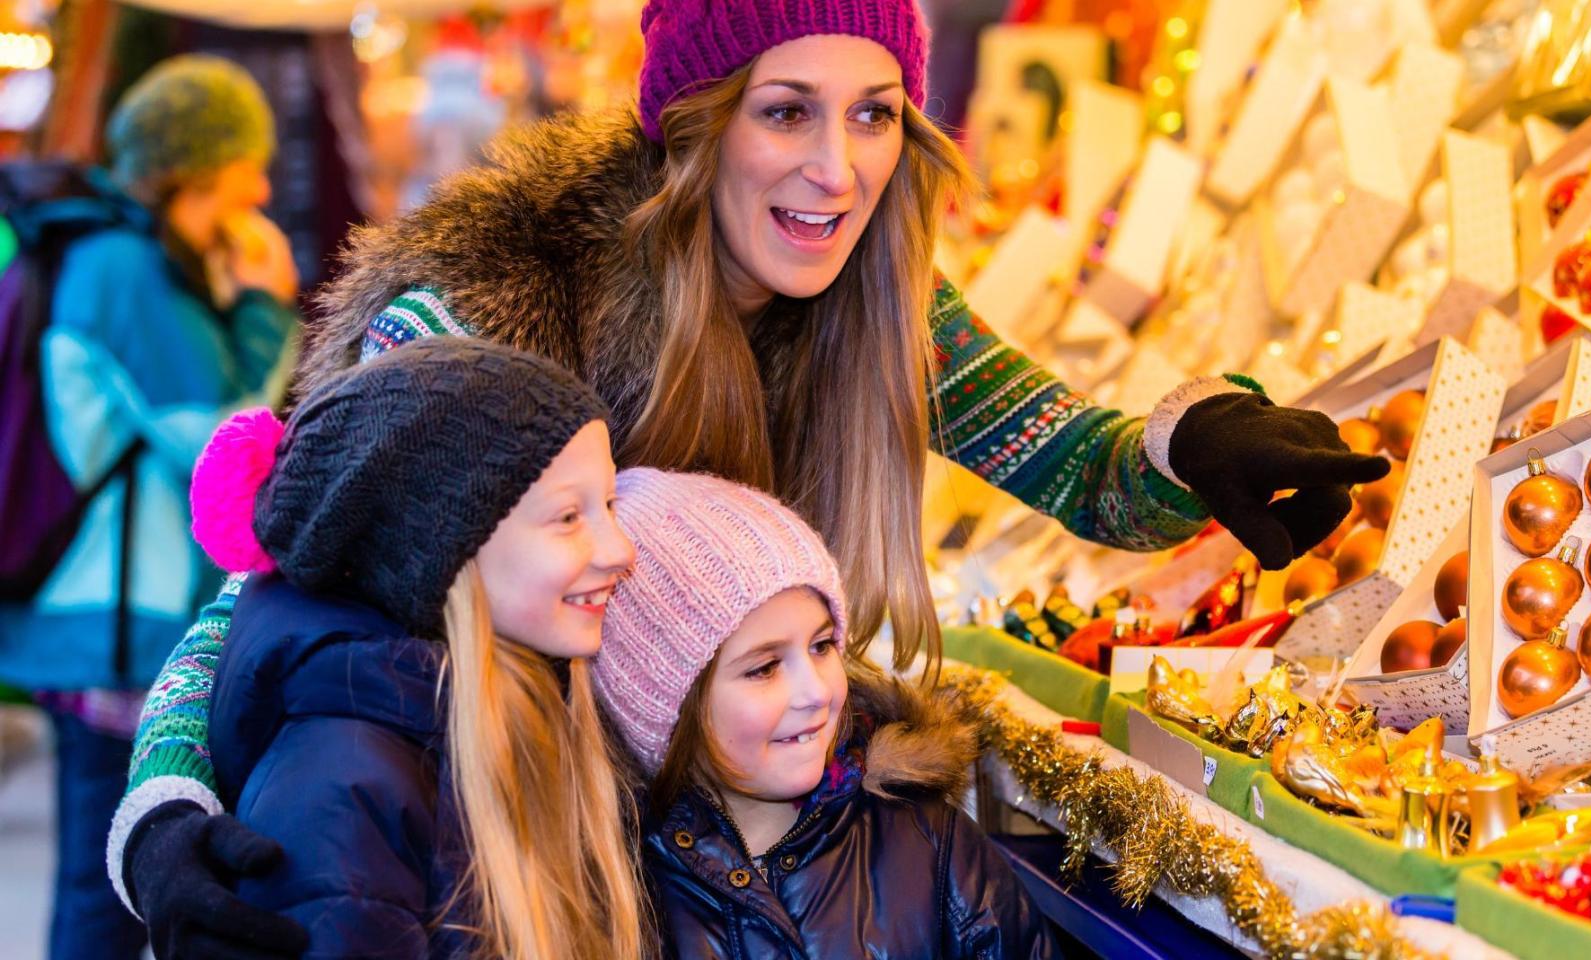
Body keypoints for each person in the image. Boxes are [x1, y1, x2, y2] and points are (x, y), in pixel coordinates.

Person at [113, 2, 1388, 951]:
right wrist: (166, 809)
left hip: (690, 873)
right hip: (497, 870)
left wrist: (1194, 447)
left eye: (874, 113)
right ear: (696, 122)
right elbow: (264, 583)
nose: (836, 170)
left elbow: (1071, 460)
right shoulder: (496, 300)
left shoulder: (874, 297)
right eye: (786, 111)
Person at [184, 338, 647, 959]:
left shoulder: (515, 706)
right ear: (438, 547)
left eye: (611, 504)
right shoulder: (346, 798)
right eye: (569, 517)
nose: (622, 550)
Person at [0, 55, 299, 960]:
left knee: (91, 877)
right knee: (106, 890)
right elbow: (212, 434)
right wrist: (261, 302)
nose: (261, 179)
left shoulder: (106, 251)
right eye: (247, 157)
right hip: (114, 623)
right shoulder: (125, 267)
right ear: (201, 166)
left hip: (90, 610)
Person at [594, 468, 1054, 958]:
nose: (815, 692)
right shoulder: (619, 889)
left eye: (821, 645)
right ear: (666, 702)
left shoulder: (929, 845)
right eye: (765, 668)